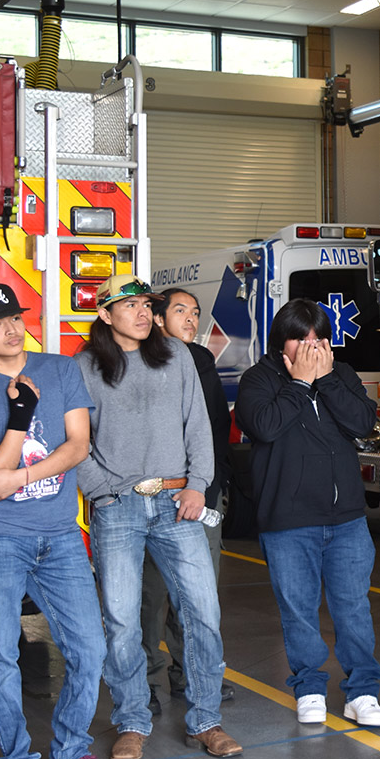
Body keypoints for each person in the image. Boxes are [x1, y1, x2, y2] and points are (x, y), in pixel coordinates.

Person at [0, 284, 121, 759]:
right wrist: (21, 416)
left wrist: (23, 476)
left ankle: (69, 753)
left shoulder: (62, 369)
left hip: (59, 535)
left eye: (15, 318)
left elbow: (77, 445)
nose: (11, 329)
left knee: (90, 649)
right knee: (1, 653)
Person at [76, 275, 241, 759]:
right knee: (122, 620)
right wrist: (101, 493)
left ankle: (206, 720)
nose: (144, 313)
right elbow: (75, 439)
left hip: (178, 504)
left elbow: (200, 427)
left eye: (147, 304)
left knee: (203, 614)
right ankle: (131, 722)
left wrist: (197, 486)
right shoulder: (85, 366)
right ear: (105, 315)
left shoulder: (179, 357)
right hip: (117, 507)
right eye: (130, 306)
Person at [234, 299, 380, 727]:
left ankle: (363, 692)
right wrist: (300, 384)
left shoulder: (341, 374)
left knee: (353, 608)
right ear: (282, 341)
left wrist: (327, 380)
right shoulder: (258, 379)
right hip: (288, 521)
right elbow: (263, 426)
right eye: (301, 337)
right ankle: (310, 688)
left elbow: (362, 421)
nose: (310, 346)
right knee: (298, 609)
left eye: (319, 338)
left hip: (347, 520)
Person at [140, 288, 235, 714]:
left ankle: (190, 674)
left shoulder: (201, 360)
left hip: (201, 495)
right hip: (154, 497)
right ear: (158, 319)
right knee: (150, 597)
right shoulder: (142, 359)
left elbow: (214, 429)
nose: (191, 319)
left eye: (196, 313)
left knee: (198, 598)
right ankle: (148, 682)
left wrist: (212, 486)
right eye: (181, 311)